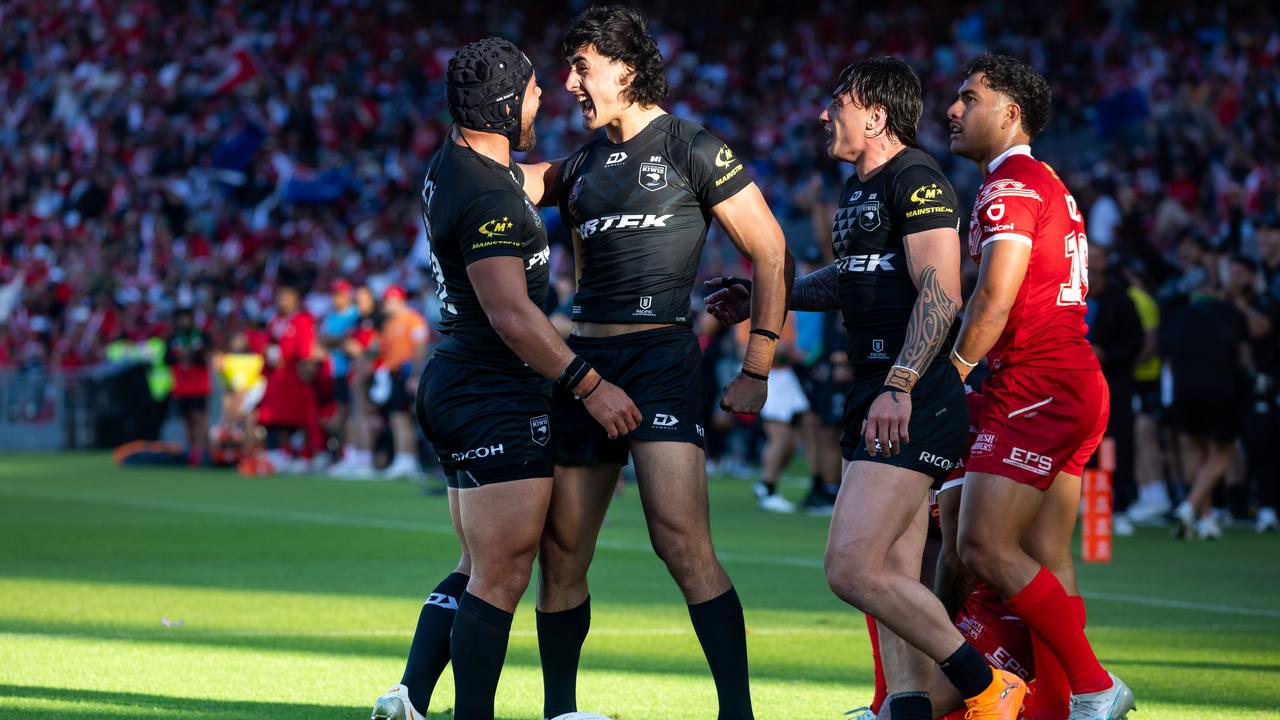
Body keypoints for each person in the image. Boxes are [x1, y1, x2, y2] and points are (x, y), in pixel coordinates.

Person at [710, 56, 1021, 720]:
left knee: (851, 568)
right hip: (877, 393)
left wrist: (901, 385)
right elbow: (852, 279)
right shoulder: (860, 189)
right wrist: (775, 294)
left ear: (877, 116)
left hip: (910, 397)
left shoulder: (918, 178)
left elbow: (942, 297)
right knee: (891, 578)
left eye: (839, 104)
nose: (825, 115)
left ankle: (989, 689)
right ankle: (907, 708)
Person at [531, 7, 790, 719]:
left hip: (662, 356)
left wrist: (757, 366)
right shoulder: (576, 165)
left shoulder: (692, 146)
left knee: (679, 542)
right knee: (561, 556)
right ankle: (561, 711)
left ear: (626, 66)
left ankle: (736, 712)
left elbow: (769, 252)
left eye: (582, 66)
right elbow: (508, 182)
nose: (570, 83)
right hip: (584, 362)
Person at [371, 37, 640, 720]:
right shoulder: (487, 194)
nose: (541, 97)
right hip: (493, 388)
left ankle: (410, 695)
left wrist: (609, 153)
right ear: (500, 103)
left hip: (460, 380)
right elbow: (512, 314)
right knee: (503, 572)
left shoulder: (458, 164)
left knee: (477, 564)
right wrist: (590, 384)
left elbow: (532, 180)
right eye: (527, 90)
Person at [945, 52, 1134, 717]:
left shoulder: (1011, 185)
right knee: (1048, 554)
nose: (953, 110)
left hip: (1037, 383)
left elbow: (994, 299)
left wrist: (955, 375)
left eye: (969, 98)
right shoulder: (1044, 180)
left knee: (982, 545)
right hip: (1073, 379)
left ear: (1010, 112)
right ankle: (1059, 706)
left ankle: (1094, 684)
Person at [1084, 247, 1144, 535]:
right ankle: (1095, 508)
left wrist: (1105, 354)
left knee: (1116, 446)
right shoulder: (1072, 297)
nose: (1089, 272)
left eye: (1094, 267)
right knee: (1087, 449)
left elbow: (1136, 343)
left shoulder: (1120, 300)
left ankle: (1120, 506)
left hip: (1114, 388)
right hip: (1080, 389)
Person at [744, 312, 811, 513]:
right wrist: (780, 351)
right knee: (779, 436)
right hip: (768, 376)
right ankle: (768, 487)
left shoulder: (789, 313)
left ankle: (768, 482)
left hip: (786, 376)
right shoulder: (752, 313)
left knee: (790, 440)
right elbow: (743, 350)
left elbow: (792, 347)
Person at [377, 284, 430, 479]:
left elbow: (419, 347)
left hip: (405, 373)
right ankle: (402, 458)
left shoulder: (412, 319)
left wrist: (415, 374)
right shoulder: (389, 323)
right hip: (393, 374)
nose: (386, 304)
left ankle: (407, 459)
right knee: (396, 417)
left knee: (403, 418)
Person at [319, 279, 361, 474]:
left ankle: (354, 454)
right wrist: (340, 340)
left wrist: (336, 341)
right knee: (341, 414)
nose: (337, 298)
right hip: (337, 371)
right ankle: (344, 454)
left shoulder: (355, 314)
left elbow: (352, 341)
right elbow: (324, 339)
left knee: (352, 413)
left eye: (340, 294)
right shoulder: (333, 317)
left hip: (352, 371)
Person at [166, 307, 213, 465]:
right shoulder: (173, 338)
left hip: (199, 385)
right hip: (181, 386)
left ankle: (202, 449)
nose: (183, 321)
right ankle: (192, 449)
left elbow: (207, 357)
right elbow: (167, 359)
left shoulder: (201, 336)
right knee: (187, 418)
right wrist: (179, 355)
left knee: (199, 417)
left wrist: (191, 355)